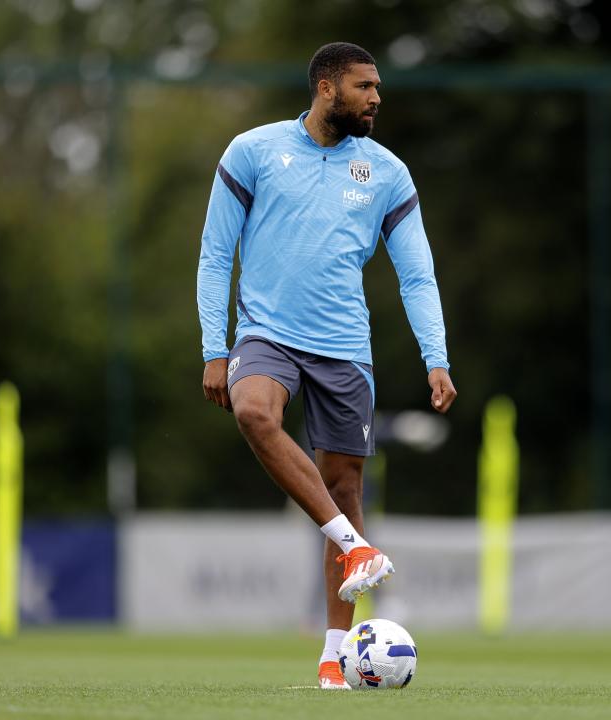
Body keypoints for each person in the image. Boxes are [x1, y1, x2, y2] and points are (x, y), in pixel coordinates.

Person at [197, 41, 456, 690]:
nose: (376, 98)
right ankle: (356, 546)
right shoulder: (253, 152)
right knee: (255, 411)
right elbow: (213, 254)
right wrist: (213, 347)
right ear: (326, 87)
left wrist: (436, 357)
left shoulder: (388, 173)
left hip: (345, 349)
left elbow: (417, 274)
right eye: (364, 86)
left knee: (343, 487)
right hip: (266, 335)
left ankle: (334, 655)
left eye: (379, 89)